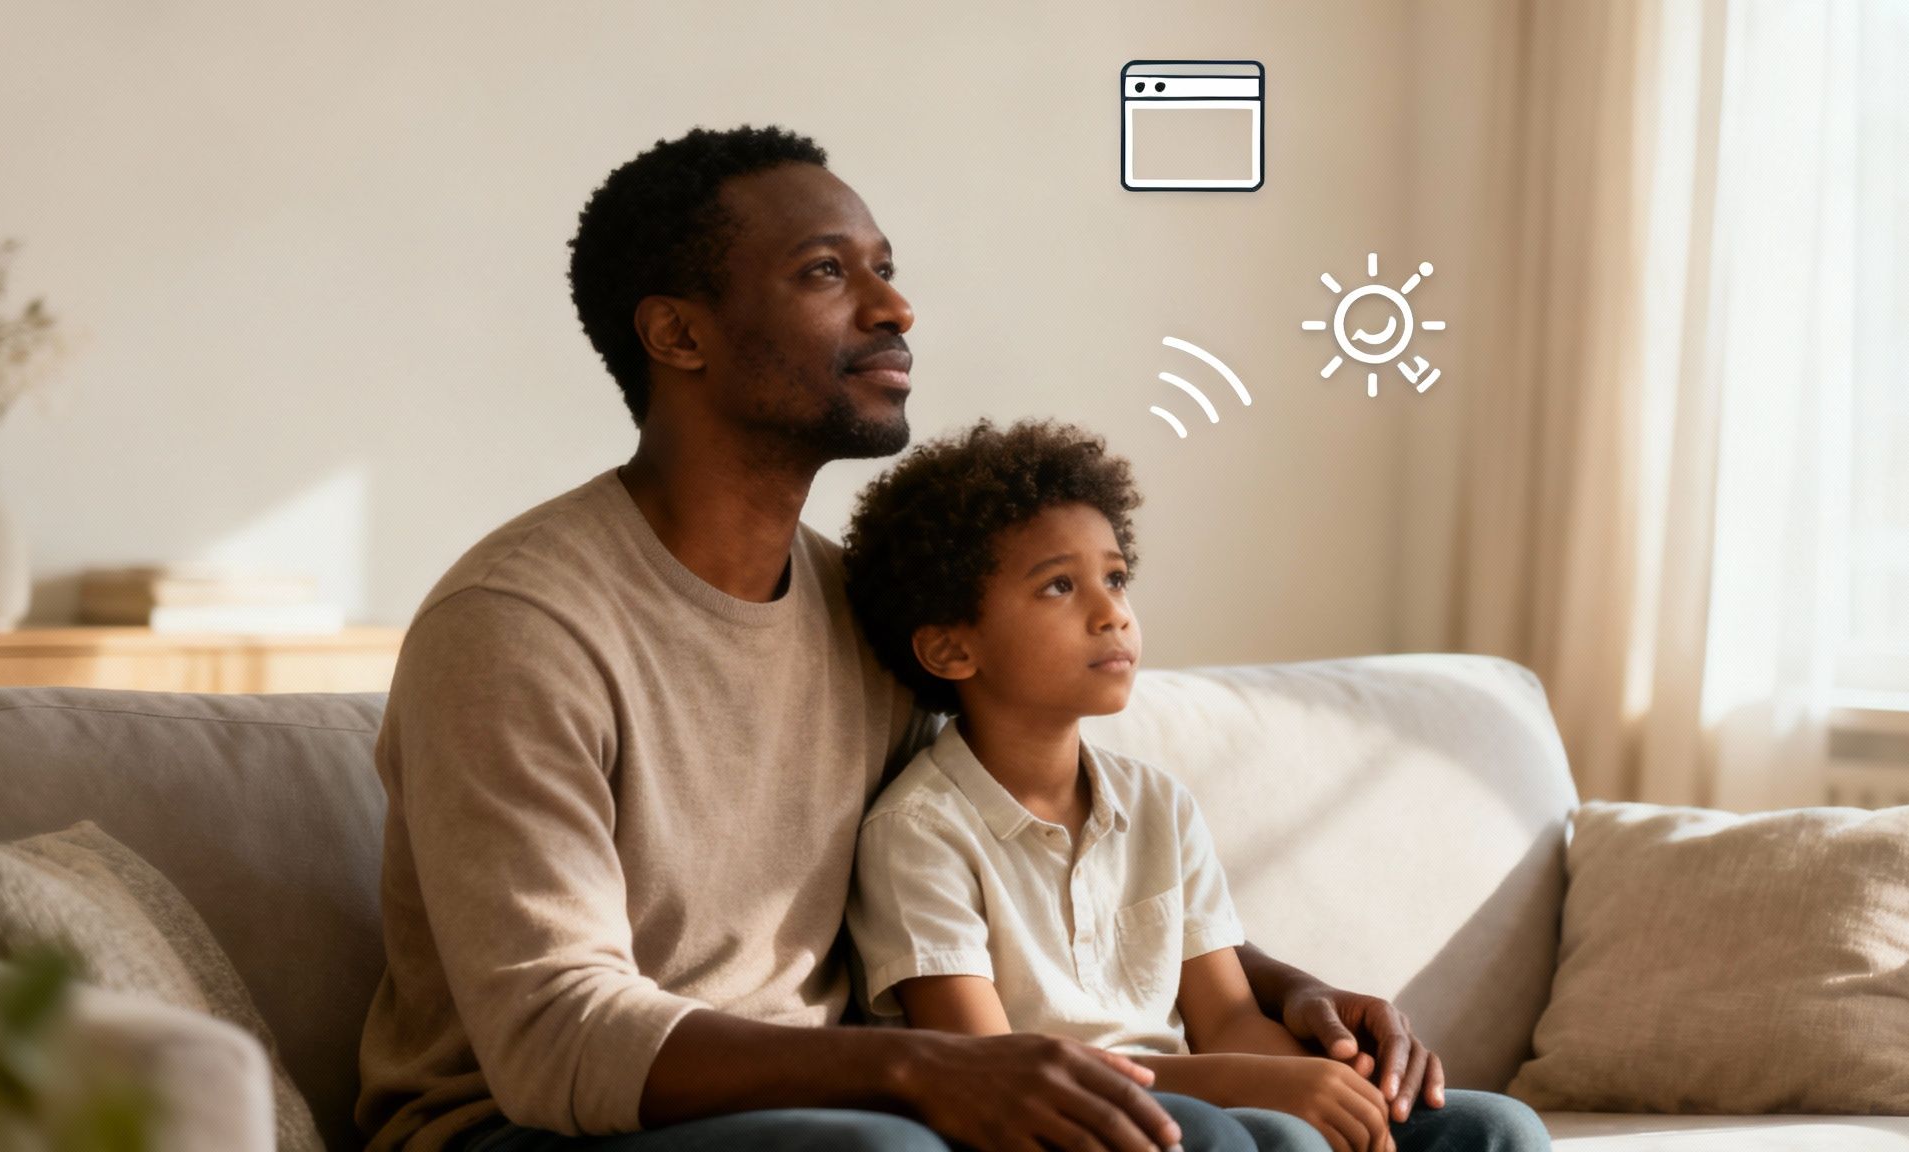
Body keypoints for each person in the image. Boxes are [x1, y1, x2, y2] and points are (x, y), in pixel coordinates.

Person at [356, 124, 1465, 1152]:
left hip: (849, 1098)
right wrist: (919, 1071)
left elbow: (998, 844)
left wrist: (1282, 994)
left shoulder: (861, 611)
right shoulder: (516, 629)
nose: (895, 308)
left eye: (884, 267)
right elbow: (554, 1038)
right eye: (826, 272)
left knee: (1461, 1133)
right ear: (678, 333)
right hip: (534, 1129)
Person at [840, 420, 1552, 1152]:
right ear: (952, 648)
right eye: (1059, 586)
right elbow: (988, 1067)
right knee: (1280, 1139)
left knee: (1495, 1127)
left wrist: (1347, 1083)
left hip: (1205, 1105)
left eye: (1115, 578)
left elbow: (1231, 1021)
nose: (1112, 613)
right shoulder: (919, 832)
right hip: (1060, 1124)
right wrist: (1256, 1088)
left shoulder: (1158, 804)